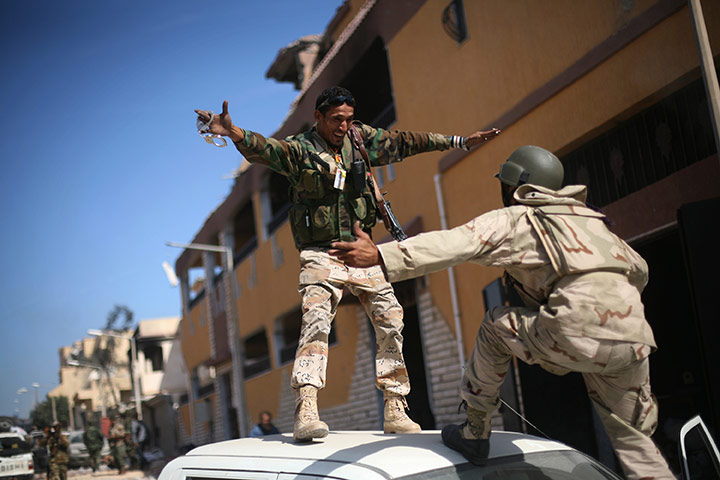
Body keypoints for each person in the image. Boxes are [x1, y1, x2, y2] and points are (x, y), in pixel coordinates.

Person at [329, 145, 674, 479]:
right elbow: (639, 269)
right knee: (636, 443)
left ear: (514, 187)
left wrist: (381, 256)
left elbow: (453, 244)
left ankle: (475, 431)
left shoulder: (517, 219)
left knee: (495, 325)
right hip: (634, 341)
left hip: (574, 332)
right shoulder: (595, 223)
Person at [195, 86, 500, 442]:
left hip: (361, 249)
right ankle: (306, 407)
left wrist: (459, 141)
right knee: (316, 322)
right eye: (336, 119)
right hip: (320, 252)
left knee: (391, 317)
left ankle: (395, 406)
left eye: (348, 119)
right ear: (319, 118)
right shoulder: (302, 150)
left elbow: (406, 142)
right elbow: (268, 150)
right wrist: (233, 132)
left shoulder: (360, 139)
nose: (343, 126)